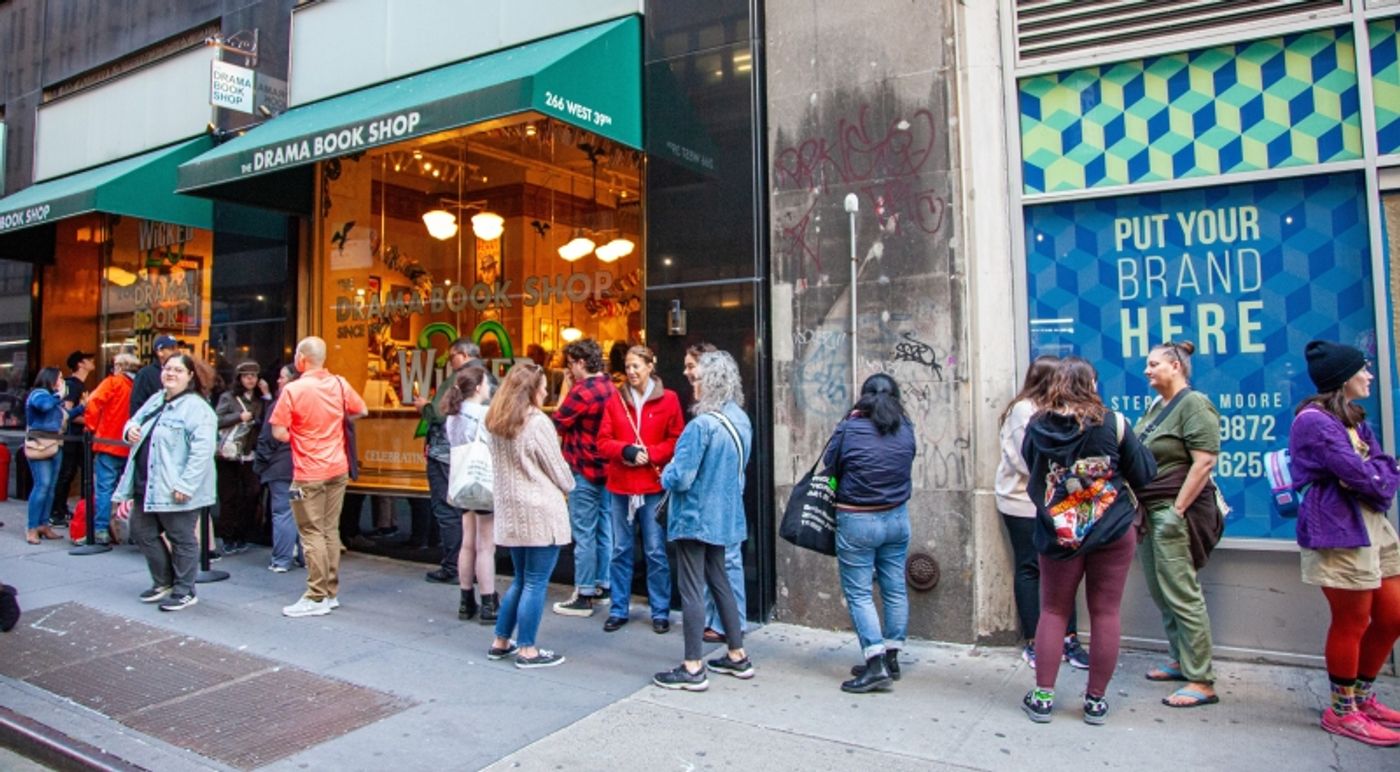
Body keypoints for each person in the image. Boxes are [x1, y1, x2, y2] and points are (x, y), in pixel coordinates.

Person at [1019, 357, 1157, 725]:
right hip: (1112, 529)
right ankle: (1095, 701)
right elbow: (1145, 472)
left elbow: (1030, 467)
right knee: (1105, 612)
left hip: (1059, 531)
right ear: (1091, 385)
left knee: (1053, 611)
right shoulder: (1113, 423)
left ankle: (1043, 697)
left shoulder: (1037, 426)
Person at [1289, 340, 1400, 746]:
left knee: (1392, 615)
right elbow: (1359, 472)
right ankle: (1342, 711)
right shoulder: (1313, 422)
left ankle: (1363, 697)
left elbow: (1382, 469)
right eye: (1363, 369)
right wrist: (1375, 474)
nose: (1369, 375)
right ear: (1342, 379)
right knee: (1353, 621)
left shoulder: (1353, 417)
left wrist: (1375, 474)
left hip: (1372, 524)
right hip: (1338, 527)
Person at [654, 350, 754, 691]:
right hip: (726, 515)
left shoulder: (700, 426)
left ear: (709, 383)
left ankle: (693, 665)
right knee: (720, 580)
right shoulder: (740, 419)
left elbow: (680, 478)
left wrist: (665, 472)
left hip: (695, 516)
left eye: (696, 379)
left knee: (692, 588)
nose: (692, 384)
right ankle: (737, 654)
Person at [1134, 341, 1222, 708]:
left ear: (1175, 366)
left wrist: (1177, 512)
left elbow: (1203, 462)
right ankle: (1180, 659)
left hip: (1174, 511)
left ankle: (1201, 679)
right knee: (1161, 590)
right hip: (1150, 511)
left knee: (1183, 594)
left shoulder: (1194, 405)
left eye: (1154, 364)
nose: (1147, 370)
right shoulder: (1158, 407)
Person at [824, 374, 917, 693]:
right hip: (896, 518)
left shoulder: (849, 428)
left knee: (860, 592)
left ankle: (875, 663)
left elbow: (829, 462)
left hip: (857, 520)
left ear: (863, 397)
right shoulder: (907, 428)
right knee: (894, 588)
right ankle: (892, 658)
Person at [997, 356, 1091, 670]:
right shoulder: (1023, 410)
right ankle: (1035, 642)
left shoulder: (1055, 410)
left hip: (1055, 502)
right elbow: (1027, 459)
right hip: (1023, 502)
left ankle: (1068, 637)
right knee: (1030, 567)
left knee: (1065, 569)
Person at [485, 363, 575, 668]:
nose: (546, 391)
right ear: (532, 391)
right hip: (540, 510)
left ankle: (501, 640)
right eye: (542, 386)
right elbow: (559, 471)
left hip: (511, 510)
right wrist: (571, 484)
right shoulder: (537, 423)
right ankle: (527, 649)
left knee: (520, 579)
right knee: (536, 583)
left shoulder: (496, 421)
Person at [111, 353, 218, 612]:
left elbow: (202, 451)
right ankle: (164, 582)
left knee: (181, 538)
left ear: (191, 376)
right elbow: (134, 420)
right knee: (142, 532)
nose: (170, 373)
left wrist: (186, 485)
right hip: (146, 483)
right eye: (168, 369)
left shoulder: (197, 408)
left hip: (174, 487)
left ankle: (185, 590)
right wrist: (129, 430)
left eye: (178, 370)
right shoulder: (157, 399)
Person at [270, 337, 368, 618]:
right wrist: (335, 424)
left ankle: (316, 595)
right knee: (329, 530)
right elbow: (361, 410)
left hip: (308, 470)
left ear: (301, 358)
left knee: (311, 533)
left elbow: (278, 432)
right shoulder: (339, 384)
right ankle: (330, 592)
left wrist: (302, 437)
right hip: (337, 467)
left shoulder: (293, 390)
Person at [598, 345, 685, 633]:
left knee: (655, 550)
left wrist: (652, 453)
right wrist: (626, 450)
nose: (631, 372)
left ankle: (660, 611)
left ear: (650, 366)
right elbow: (603, 441)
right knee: (620, 549)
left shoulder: (669, 399)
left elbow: (677, 439)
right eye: (628, 366)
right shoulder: (614, 399)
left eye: (636, 366)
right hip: (621, 485)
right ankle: (619, 608)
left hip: (651, 485)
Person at [551, 339, 617, 617]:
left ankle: (584, 592)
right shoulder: (612, 387)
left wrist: (567, 387)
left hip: (584, 467)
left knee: (584, 532)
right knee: (605, 529)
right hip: (608, 468)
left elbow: (557, 421)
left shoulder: (582, 391)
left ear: (580, 363)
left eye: (570, 365)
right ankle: (603, 585)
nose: (569, 370)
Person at [416, 338, 481, 585]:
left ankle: (454, 565)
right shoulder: (489, 377)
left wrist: (424, 406)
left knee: (447, 509)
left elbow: (440, 412)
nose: (450, 361)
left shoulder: (459, 377)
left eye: (451, 356)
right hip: (474, 453)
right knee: (472, 512)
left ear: (462, 354)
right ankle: (475, 565)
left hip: (446, 452)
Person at [443, 365, 497, 622]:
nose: (488, 387)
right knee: (485, 546)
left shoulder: (453, 414)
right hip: (483, 480)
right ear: (477, 387)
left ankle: (466, 601)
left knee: (467, 542)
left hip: (462, 481)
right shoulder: (485, 414)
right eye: (485, 383)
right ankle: (488, 602)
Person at [84, 352, 141, 544]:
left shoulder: (113, 382)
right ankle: (131, 531)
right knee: (130, 490)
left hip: (108, 443)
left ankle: (101, 530)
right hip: (131, 445)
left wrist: (91, 427)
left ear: (119, 366)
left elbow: (93, 401)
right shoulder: (139, 386)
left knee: (104, 489)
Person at [214, 361, 271, 554]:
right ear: (239, 378)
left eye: (254, 376)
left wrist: (267, 395)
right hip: (228, 456)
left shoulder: (259, 399)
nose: (251, 379)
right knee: (229, 496)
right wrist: (239, 417)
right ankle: (228, 536)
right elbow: (216, 420)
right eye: (246, 376)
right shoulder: (228, 397)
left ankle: (242, 533)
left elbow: (269, 420)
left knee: (252, 494)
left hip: (249, 454)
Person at [254, 365, 304, 573]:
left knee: (283, 512)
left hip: (281, 466)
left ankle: (282, 560)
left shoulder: (281, 404)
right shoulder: (309, 403)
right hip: (307, 465)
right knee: (305, 514)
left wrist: (261, 463)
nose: (278, 381)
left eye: (282, 377)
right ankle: (305, 557)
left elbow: (268, 437)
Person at [23, 368, 68, 544]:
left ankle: (43, 524)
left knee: (50, 487)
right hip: (40, 445)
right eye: (60, 378)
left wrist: (81, 407)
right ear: (51, 379)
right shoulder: (39, 394)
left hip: (54, 444)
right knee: (42, 485)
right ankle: (32, 527)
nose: (62, 381)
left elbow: (63, 417)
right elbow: (44, 406)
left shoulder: (51, 396)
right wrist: (59, 395)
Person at [50, 350, 94, 526]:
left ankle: (61, 509)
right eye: (88, 359)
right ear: (80, 364)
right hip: (71, 437)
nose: (92, 362)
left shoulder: (78, 385)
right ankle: (57, 511)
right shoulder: (73, 385)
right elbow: (67, 413)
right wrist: (91, 420)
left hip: (76, 437)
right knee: (67, 473)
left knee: (73, 472)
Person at [130, 335, 180, 413]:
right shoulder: (145, 374)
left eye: (177, 348)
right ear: (160, 352)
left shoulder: (181, 372)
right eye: (172, 348)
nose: (176, 352)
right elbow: (136, 403)